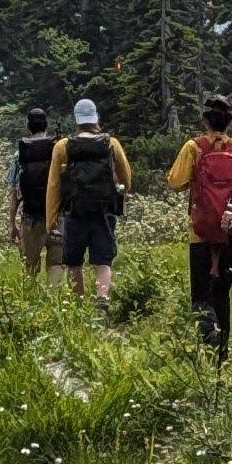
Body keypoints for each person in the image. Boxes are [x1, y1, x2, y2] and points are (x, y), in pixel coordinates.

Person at [175, 92, 232, 356]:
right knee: (222, 290)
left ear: (205, 120)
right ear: (229, 122)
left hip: (200, 231)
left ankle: (207, 339)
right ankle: (223, 348)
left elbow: (175, 182)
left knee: (200, 294)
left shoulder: (194, 147)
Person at [47, 96, 133, 306]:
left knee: (73, 260)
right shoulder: (111, 143)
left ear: (76, 120)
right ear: (95, 118)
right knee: (103, 260)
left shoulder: (62, 146)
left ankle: (79, 303)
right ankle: (102, 298)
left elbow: (54, 186)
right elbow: (126, 178)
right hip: (104, 211)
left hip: (75, 211)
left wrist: (51, 219)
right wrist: (121, 191)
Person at [6, 106, 59, 278]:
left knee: (29, 268)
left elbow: (14, 193)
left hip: (30, 218)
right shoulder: (58, 149)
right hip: (57, 218)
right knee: (56, 266)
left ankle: (29, 301)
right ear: (47, 125)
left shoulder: (19, 153)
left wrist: (12, 223)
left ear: (28, 126)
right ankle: (56, 301)